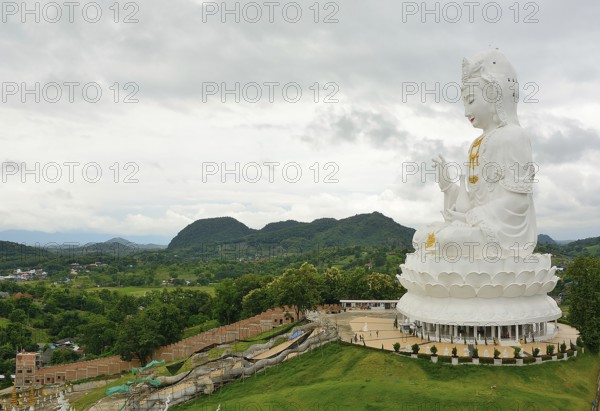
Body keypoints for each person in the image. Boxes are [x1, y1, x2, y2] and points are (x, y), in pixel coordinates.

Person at [413, 49, 537, 260]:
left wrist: (471, 217)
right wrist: (448, 187)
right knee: (422, 237)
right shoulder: (476, 144)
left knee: (448, 241)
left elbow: (518, 203)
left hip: (504, 234)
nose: (465, 112)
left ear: (493, 94)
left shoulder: (515, 136)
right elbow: (473, 199)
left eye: (470, 101)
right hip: (476, 224)